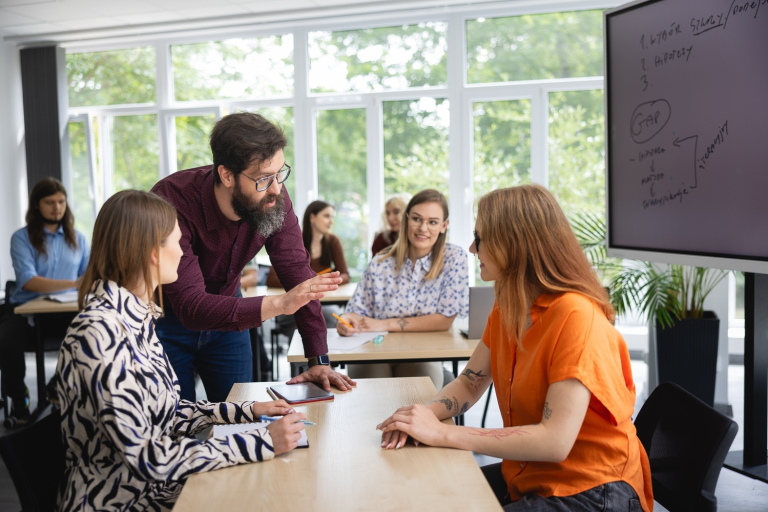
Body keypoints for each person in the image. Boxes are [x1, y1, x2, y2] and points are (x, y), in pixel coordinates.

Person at [376, 185, 653, 512]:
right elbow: (470, 382)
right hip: (531, 473)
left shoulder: (577, 318)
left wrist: (443, 434)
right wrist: (422, 416)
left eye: (479, 238)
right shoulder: (508, 305)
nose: (470, 248)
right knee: (427, 493)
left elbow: (554, 442)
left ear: (514, 244)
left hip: (595, 490)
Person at [56, 190, 308, 512]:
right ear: (152, 253)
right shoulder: (98, 332)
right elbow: (146, 458)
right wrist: (260, 441)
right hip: (123, 502)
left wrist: (249, 410)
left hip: (158, 489)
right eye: (177, 242)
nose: (184, 252)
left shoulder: (136, 317)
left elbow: (171, 413)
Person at [150, 112, 355, 402]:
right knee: (174, 424)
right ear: (226, 175)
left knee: (239, 417)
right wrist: (281, 304)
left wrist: (318, 360)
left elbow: (299, 276)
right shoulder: (172, 201)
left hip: (230, 324)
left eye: (280, 173)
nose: (276, 189)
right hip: (168, 322)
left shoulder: (273, 199)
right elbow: (191, 306)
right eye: (263, 179)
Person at [337, 189, 469, 389]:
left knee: (419, 396)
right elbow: (357, 310)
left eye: (432, 222)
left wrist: (384, 324)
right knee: (373, 393)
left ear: (444, 226)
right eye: (417, 219)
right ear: (407, 220)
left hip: (423, 353)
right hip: (374, 350)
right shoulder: (380, 261)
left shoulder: (454, 258)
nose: (423, 228)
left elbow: (444, 320)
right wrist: (348, 320)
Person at [0, 178, 88, 425]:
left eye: (61, 201)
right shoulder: (21, 238)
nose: (56, 207)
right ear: (37, 205)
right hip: (24, 311)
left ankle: (56, 385)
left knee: (91, 331)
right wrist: (73, 283)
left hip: (63, 312)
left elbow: (91, 275)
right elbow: (28, 281)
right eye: (49, 202)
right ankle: (20, 400)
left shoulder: (78, 239)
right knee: (5, 341)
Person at [265, 200, 350, 287]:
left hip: (326, 296)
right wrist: (308, 284)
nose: (331, 221)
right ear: (312, 217)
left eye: (332, 217)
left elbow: (345, 275)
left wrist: (322, 282)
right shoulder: (294, 242)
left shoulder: (333, 241)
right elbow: (271, 280)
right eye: (326, 216)